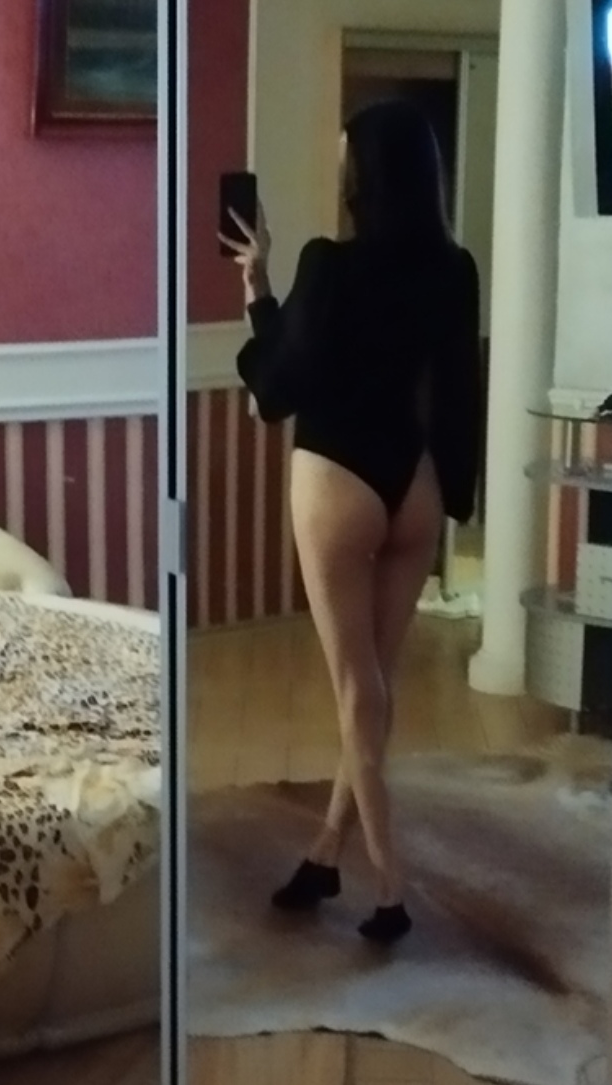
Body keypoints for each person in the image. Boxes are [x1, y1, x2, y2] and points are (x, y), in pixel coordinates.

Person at [219, 99, 482, 944]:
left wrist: (257, 289)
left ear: (363, 176)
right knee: (372, 687)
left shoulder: (327, 264)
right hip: (415, 483)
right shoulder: (455, 269)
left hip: (337, 477)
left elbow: (277, 386)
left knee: (352, 687)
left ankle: (390, 886)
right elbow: (459, 389)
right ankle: (324, 852)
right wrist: (454, 490)